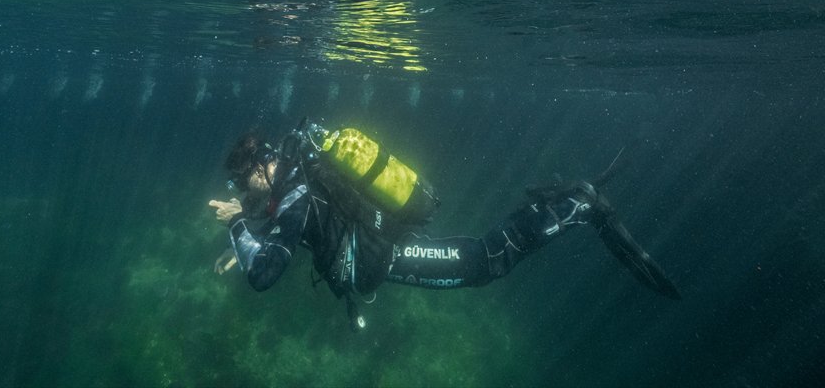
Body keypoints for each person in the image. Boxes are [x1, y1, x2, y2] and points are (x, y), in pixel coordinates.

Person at [209, 122, 680, 326]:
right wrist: (247, 229)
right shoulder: (296, 180)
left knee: (481, 263)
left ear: (260, 170)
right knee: (479, 262)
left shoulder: (294, 196)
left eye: (240, 183)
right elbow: (290, 216)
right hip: (382, 241)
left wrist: (236, 231)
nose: (240, 192)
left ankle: (576, 206)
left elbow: (264, 275)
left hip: (390, 252)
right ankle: (569, 206)